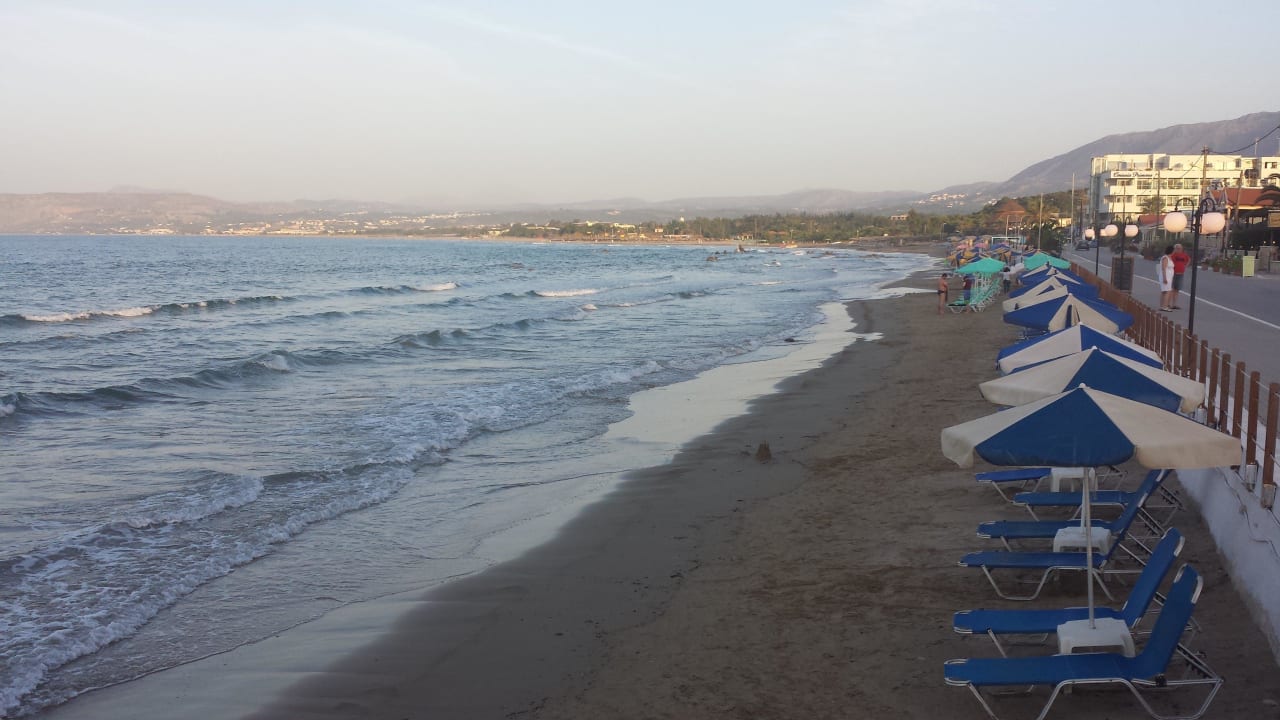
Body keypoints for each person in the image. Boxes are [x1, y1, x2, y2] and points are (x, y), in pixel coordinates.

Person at [1169, 243, 1190, 309]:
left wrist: (1186, 266)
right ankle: (1169, 304)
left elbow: (1188, 259)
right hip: (1173, 273)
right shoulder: (1172, 255)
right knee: (1171, 289)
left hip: (1180, 274)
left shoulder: (1184, 255)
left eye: (1180, 248)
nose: (1179, 250)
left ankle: (1174, 304)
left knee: (1177, 289)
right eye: (1177, 248)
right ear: (1175, 249)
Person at [1158, 245, 1175, 311]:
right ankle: (1165, 306)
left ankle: (1162, 306)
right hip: (1165, 276)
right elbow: (1163, 268)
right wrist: (1165, 278)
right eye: (1173, 250)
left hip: (1169, 277)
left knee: (1164, 291)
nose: (1174, 252)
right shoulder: (1165, 258)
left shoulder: (1169, 258)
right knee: (1166, 291)